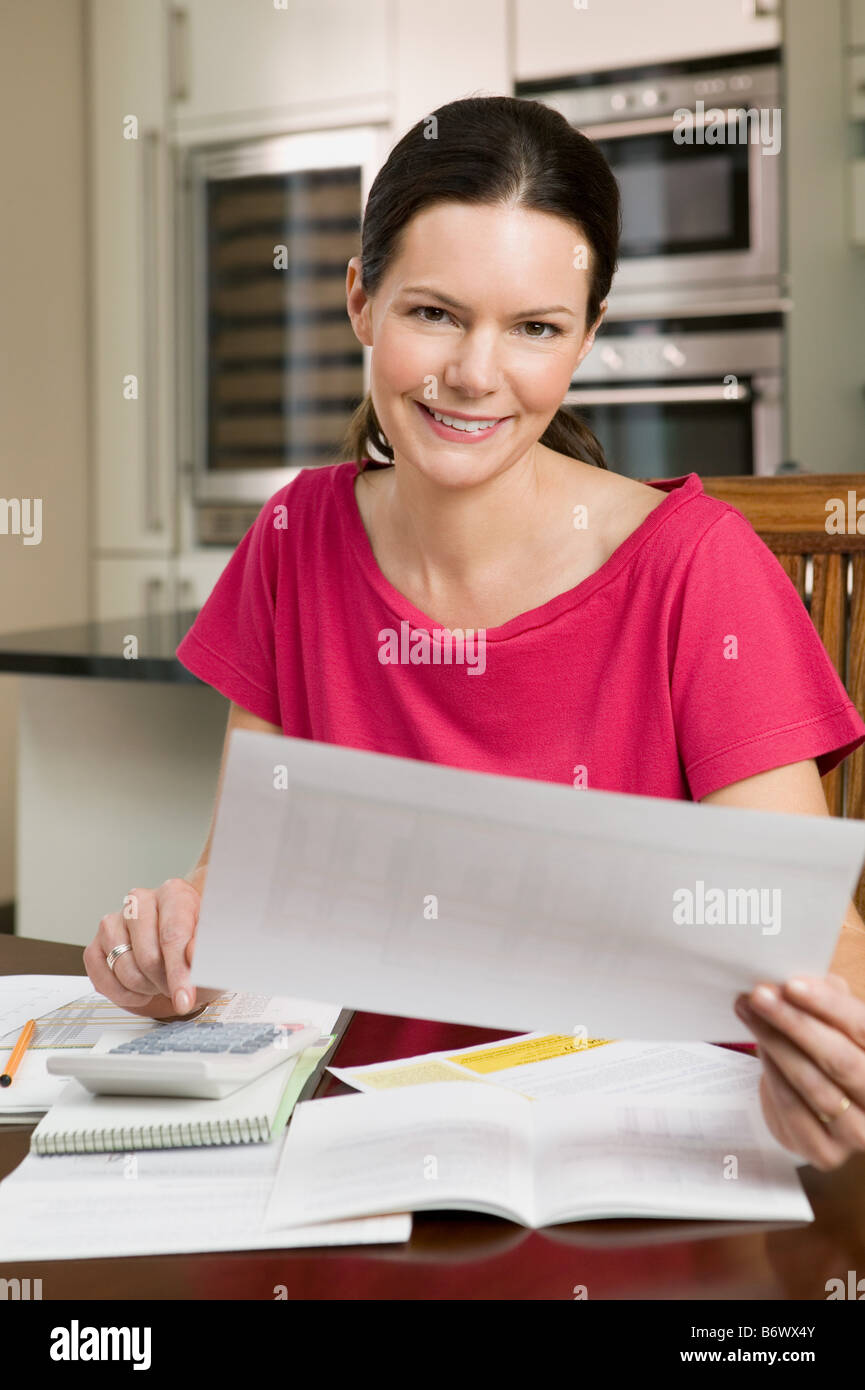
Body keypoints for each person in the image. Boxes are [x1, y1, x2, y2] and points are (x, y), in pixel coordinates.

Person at [85, 95, 865, 1171]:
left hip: (645, 1166)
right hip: (348, 1154)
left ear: (585, 339)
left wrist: (827, 1058)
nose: (475, 375)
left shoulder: (697, 567)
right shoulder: (292, 538)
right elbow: (240, 896)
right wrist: (168, 941)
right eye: (436, 314)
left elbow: (818, 943)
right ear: (362, 301)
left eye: (536, 328)